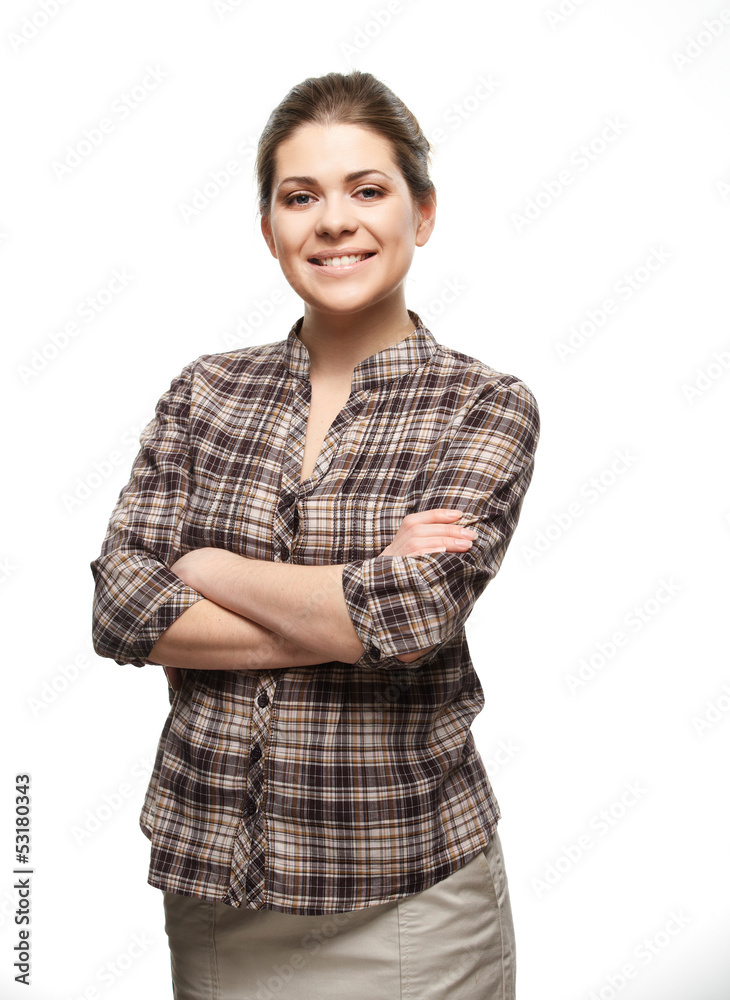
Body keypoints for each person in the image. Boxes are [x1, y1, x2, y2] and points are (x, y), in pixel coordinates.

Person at [90, 69, 540, 1000]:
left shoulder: (483, 405)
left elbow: (410, 620)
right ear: (270, 230)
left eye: (367, 190)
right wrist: (350, 599)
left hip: (414, 902)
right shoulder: (205, 392)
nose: (334, 221)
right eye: (302, 197)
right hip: (221, 893)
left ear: (421, 215)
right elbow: (120, 609)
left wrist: (207, 566)